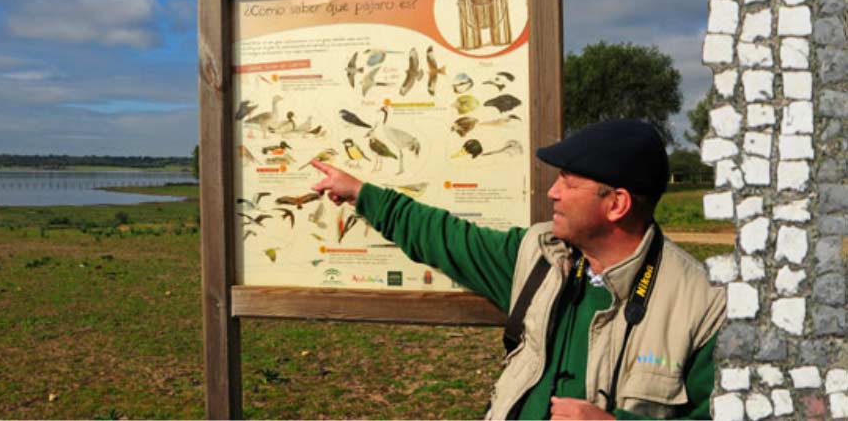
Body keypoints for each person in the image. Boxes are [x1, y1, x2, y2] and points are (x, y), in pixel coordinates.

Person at [310, 119, 725, 420]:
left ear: (616, 204)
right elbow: (447, 237)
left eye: (568, 182)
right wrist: (362, 194)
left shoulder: (704, 306)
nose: (552, 192)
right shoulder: (537, 256)